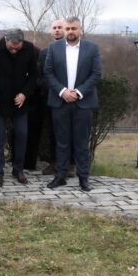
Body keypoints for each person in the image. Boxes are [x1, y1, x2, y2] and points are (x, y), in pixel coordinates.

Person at [44, 16, 102, 192]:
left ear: (80, 29)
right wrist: (63, 92)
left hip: (83, 102)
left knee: (81, 142)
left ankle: (83, 178)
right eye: (67, 29)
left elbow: (96, 74)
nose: (70, 32)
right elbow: (48, 72)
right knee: (61, 142)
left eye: (73, 29)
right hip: (60, 101)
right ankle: (60, 176)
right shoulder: (53, 48)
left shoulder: (92, 48)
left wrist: (78, 92)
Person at [0, 28, 37, 187]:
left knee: (22, 134)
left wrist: (25, 94)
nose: (14, 50)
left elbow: (34, 75)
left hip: (19, 101)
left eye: (17, 47)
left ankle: (18, 169)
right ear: (6, 40)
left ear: (22, 42)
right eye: (11, 47)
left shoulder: (29, 49)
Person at [39, 19, 65, 176]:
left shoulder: (74, 50)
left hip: (71, 97)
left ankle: (71, 163)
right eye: (54, 27)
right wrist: (52, 90)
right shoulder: (45, 52)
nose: (57, 30)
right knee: (53, 132)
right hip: (51, 98)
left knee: (70, 131)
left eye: (60, 27)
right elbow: (41, 76)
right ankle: (54, 162)